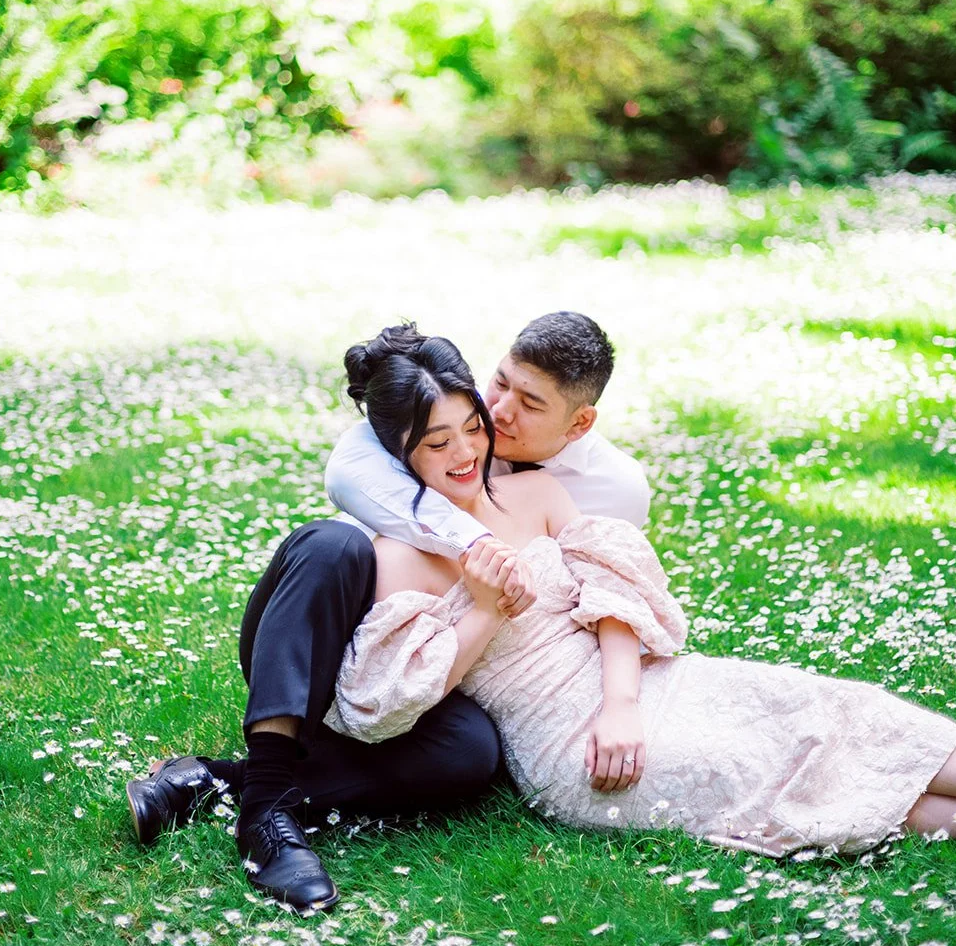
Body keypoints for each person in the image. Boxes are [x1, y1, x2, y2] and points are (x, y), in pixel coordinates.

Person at [327, 327, 956, 856]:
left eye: (471, 428)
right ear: (397, 453)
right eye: (434, 442)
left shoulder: (536, 490)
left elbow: (615, 595)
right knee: (771, 776)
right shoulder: (400, 555)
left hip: (645, 687)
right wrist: (483, 612)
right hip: (563, 742)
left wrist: (623, 703)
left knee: (838, 710)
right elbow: (383, 708)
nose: (465, 453)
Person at [125, 313, 650, 914]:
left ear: (579, 423)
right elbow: (348, 466)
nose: (498, 414)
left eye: (529, 404)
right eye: (499, 384)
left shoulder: (612, 490)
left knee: (471, 754)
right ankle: (266, 814)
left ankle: (213, 783)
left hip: (436, 667)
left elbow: (596, 583)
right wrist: (475, 544)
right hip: (315, 642)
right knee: (333, 544)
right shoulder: (433, 407)